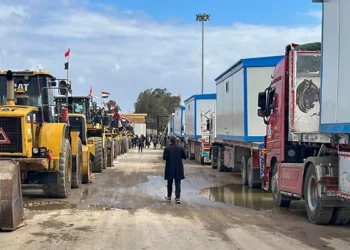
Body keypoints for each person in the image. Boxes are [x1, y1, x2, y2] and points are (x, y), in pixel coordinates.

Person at [163, 136, 187, 204]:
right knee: (178, 183)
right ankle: (177, 198)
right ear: (176, 141)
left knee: (169, 183)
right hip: (178, 168)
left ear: (170, 141)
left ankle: (169, 197)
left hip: (169, 168)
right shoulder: (180, 148)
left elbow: (164, 158)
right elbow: (185, 157)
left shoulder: (167, 149)